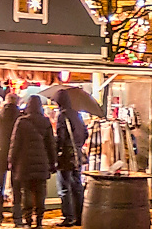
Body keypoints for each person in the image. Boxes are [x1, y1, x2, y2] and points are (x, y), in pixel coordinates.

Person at [10, 96, 57, 229]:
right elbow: (51, 145)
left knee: (27, 191)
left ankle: (28, 220)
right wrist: (53, 163)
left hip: (24, 163)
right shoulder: (45, 122)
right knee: (41, 192)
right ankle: (40, 221)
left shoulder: (21, 122)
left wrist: (11, 161)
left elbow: (15, 144)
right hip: (42, 162)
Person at [54, 90, 88, 227]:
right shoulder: (77, 114)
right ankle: (79, 216)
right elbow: (85, 133)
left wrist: (57, 150)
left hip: (66, 156)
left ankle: (68, 217)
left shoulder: (62, 116)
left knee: (64, 187)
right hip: (78, 154)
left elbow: (61, 137)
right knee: (77, 186)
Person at [0, 94, 21, 227]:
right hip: (16, 154)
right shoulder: (21, 116)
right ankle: (17, 218)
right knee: (16, 188)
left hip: (1, 153)